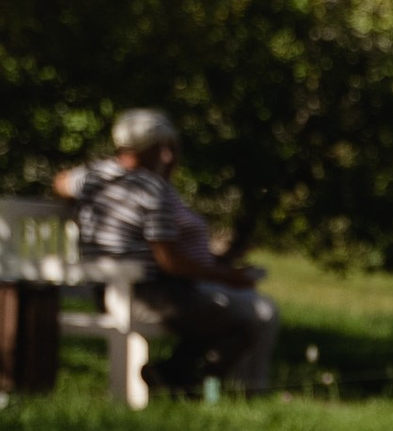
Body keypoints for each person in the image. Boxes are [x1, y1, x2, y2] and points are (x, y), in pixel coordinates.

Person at [51, 107, 279, 395]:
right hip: (146, 294)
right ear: (151, 149)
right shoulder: (152, 190)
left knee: (221, 317)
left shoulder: (95, 175)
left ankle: (175, 377)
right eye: (163, 148)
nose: (168, 157)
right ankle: (182, 380)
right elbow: (169, 262)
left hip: (103, 289)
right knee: (240, 325)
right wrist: (226, 276)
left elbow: (61, 181)